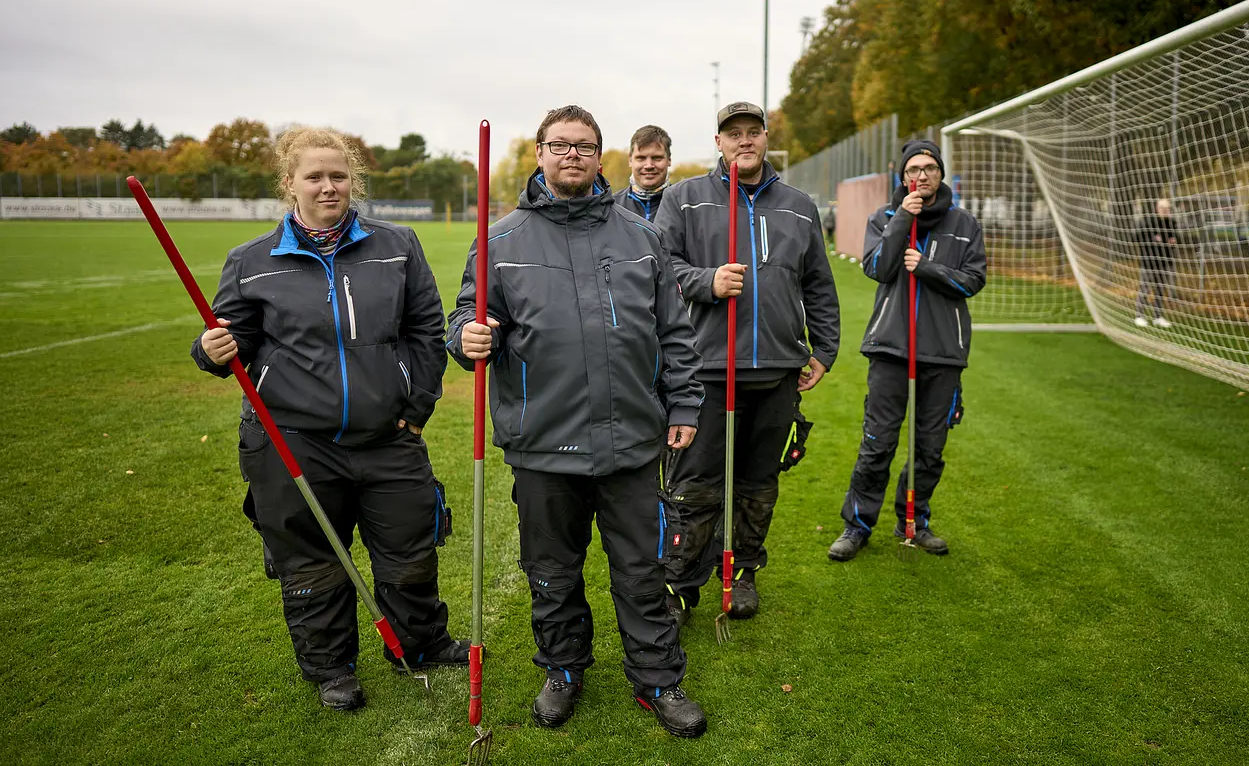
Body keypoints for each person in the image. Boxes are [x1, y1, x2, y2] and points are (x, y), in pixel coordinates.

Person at [447, 105, 708, 738]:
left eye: (585, 146)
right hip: (543, 442)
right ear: (538, 153)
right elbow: (462, 320)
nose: (573, 155)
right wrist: (468, 339)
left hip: (632, 439)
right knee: (552, 570)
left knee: (642, 569)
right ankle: (563, 668)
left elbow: (673, 331)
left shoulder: (640, 237)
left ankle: (657, 679)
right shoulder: (500, 241)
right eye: (559, 145)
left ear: (600, 156)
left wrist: (685, 402)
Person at [192, 127, 462, 712]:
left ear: (353, 181)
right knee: (314, 562)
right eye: (314, 176)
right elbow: (227, 340)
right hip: (294, 442)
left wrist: (415, 412)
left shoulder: (398, 245)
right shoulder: (251, 261)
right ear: (289, 184)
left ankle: (419, 642)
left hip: (389, 436)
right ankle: (330, 666)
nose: (328, 185)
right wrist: (208, 351)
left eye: (338, 175)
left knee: (411, 550)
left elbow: (424, 331)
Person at [655, 100, 840, 622]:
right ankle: (681, 583)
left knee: (759, 483)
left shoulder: (799, 206)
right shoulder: (685, 199)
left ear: (765, 139)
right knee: (694, 484)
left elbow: (819, 284)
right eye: (732, 133)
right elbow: (660, 268)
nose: (743, 141)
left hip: (776, 371)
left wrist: (823, 349)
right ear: (718, 143)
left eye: (752, 132)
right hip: (705, 371)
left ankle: (742, 571)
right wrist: (705, 281)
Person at [828, 139, 986, 561]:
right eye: (913, 169)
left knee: (930, 449)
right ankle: (856, 526)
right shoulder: (883, 218)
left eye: (929, 168)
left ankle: (914, 522)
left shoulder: (965, 223)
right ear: (903, 177)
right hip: (890, 347)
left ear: (940, 174)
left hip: (943, 352)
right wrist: (903, 218)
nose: (921, 175)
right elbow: (877, 267)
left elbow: (972, 280)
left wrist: (928, 267)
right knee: (877, 443)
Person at [1133, 198, 1178, 328]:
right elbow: (1137, 238)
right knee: (1145, 289)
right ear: (1157, 209)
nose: (1165, 211)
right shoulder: (1148, 222)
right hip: (1149, 262)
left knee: (1160, 290)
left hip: (1164, 262)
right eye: (1163, 208)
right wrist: (1152, 239)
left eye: (1167, 208)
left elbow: (1175, 238)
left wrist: (1174, 240)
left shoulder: (1171, 223)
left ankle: (1157, 317)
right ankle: (1139, 316)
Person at [618, 124, 672, 221]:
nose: (649, 165)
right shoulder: (613, 206)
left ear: (669, 160)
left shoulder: (682, 205)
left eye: (657, 158)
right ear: (630, 160)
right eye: (641, 158)